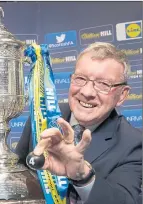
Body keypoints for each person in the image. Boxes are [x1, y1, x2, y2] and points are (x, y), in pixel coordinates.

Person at [16, 42, 142, 204]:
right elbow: (20, 171)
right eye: (80, 79)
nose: (87, 92)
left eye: (103, 84)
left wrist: (83, 176)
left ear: (122, 95)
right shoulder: (42, 117)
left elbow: (124, 200)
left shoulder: (133, 143)